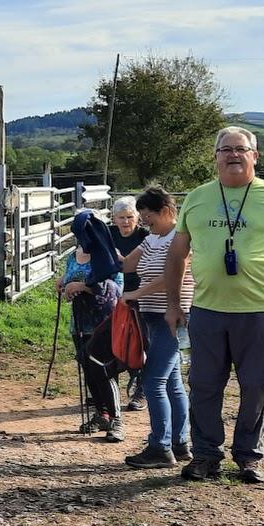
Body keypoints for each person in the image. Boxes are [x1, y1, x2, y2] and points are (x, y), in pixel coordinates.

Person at [166, 126, 264, 484]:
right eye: (225, 149)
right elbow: (177, 254)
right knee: (204, 386)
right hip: (207, 311)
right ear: (214, 157)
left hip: (259, 313)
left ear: (254, 156)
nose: (233, 155)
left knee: (255, 387)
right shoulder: (197, 198)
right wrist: (172, 304)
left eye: (240, 149)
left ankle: (248, 456)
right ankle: (205, 456)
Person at [121, 187, 194, 469]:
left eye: (147, 215)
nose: (143, 221)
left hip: (172, 316)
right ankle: (179, 443)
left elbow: (171, 276)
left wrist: (136, 294)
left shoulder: (182, 237)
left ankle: (160, 447)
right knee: (172, 382)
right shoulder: (153, 238)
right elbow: (126, 264)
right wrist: (98, 243)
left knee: (153, 381)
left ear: (165, 211)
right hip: (153, 316)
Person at [56, 209, 126, 441]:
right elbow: (68, 279)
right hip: (80, 321)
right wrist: (64, 284)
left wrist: (84, 287)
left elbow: (116, 289)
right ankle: (101, 412)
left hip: (103, 322)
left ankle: (117, 419)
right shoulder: (73, 256)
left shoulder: (108, 254)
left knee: (104, 370)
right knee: (88, 369)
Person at [109, 197, 150, 412]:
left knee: (143, 342)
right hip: (113, 295)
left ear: (137, 218)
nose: (126, 222)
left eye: (130, 217)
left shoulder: (145, 237)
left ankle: (141, 391)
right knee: (115, 340)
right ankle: (108, 391)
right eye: (121, 217)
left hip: (140, 293)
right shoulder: (109, 235)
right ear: (114, 219)